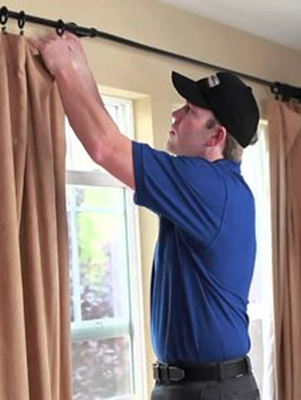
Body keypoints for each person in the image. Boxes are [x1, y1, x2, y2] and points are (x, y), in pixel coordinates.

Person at [35, 31, 261, 400]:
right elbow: (113, 139)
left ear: (215, 136)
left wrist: (63, 68)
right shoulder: (213, 188)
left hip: (210, 391)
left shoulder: (209, 188)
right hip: (193, 386)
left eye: (190, 111)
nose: (175, 113)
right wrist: (79, 68)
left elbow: (105, 147)